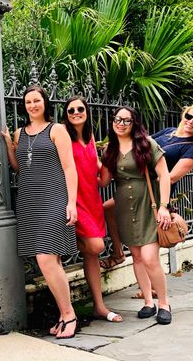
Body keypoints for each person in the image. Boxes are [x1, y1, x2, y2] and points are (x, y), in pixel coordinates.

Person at [100, 102, 193, 274]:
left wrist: (162, 204)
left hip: (154, 194)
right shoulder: (168, 131)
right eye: (188, 116)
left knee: (148, 245)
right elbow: (141, 144)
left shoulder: (192, 150)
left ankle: (153, 288)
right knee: (107, 209)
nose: (191, 122)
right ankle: (118, 253)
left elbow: (169, 178)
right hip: (136, 188)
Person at [1, 85, 80, 339]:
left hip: (54, 197)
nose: (32, 105)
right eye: (28, 102)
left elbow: (69, 168)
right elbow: (18, 168)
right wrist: (9, 146)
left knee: (46, 258)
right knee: (50, 261)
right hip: (29, 201)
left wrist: (71, 202)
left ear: (44, 103)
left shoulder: (57, 130)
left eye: (36, 100)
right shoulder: (19, 133)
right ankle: (63, 314)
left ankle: (70, 315)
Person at [100, 106, 173, 325]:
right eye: (117, 119)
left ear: (134, 124)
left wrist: (163, 206)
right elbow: (102, 181)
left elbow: (164, 175)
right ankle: (148, 302)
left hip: (148, 206)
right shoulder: (109, 150)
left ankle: (164, 303)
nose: (120, 123)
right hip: (124, 207)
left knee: (151, 258)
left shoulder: (146, 144)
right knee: (138, 257)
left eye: (126, 120)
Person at [62, 96, 122, 323]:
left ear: (86, 112)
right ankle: (63, 242)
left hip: (92, 199)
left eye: (80, 109)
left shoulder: (89, 137)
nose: (76, 112)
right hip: (75, 200)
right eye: (70, 110)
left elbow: (97, 168)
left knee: (92, 254)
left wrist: (109, 161)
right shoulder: (65, 137)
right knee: (96, 245)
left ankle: (99, 306)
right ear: (66, 115)